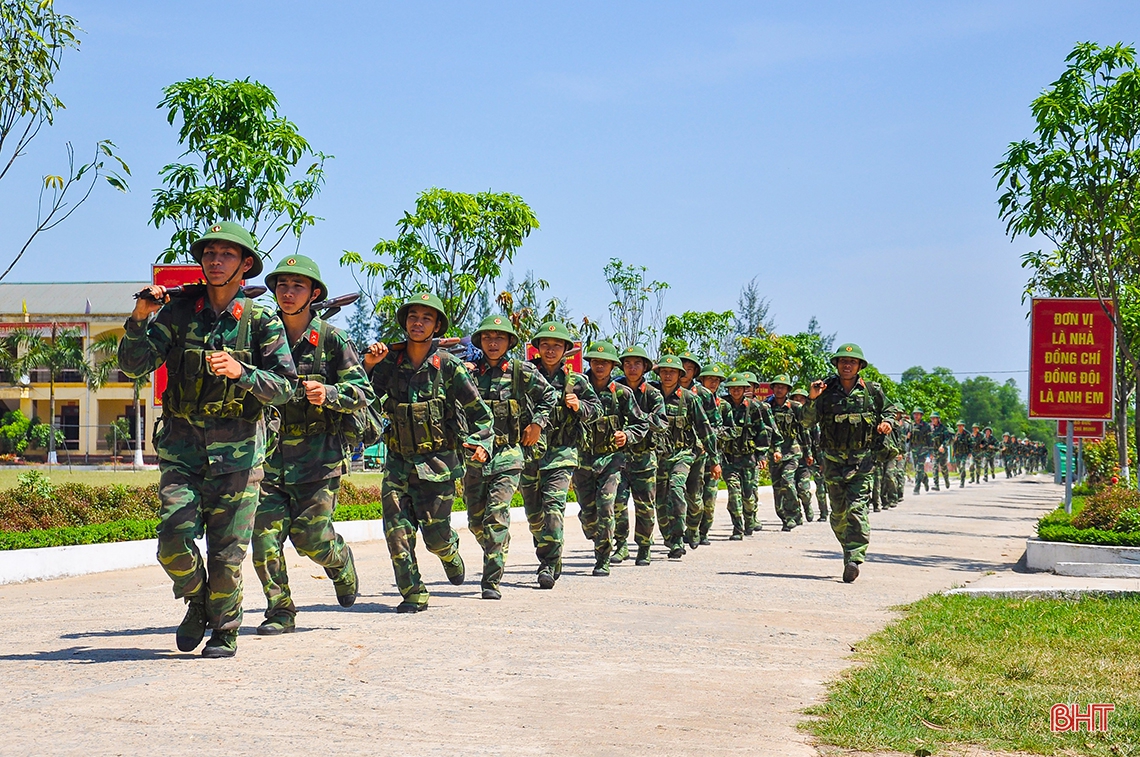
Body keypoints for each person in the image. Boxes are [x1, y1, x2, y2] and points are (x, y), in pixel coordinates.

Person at [118, 221, 297, 657]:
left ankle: (225, 630)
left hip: (239, 454)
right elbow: (134, 365)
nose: (215, 262)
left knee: (226, 555)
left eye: (226, 255)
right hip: (182, 449)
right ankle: (197, 599)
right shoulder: (178, 313)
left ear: (245, 264)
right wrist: (140, 318)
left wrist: (243, 372)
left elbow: (286, 385)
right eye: (209, 254)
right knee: (173, 541)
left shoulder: (260, 319)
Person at [252, 255, 375, 635]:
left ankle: (339, 561)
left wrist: (331, 392)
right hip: (270, 460)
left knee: (312, 540)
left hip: (319, 460)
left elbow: (363, 392)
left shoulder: (332, 340)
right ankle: (280, 611)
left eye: (298, 286)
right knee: (264, 540)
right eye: (282, 286)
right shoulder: (261, 336)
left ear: (314, 293)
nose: (288, 293)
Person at [363, 293, 494, 613]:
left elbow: (481, 414)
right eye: (412, 316)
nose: (417, 322)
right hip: (397, 462)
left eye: (426, 318)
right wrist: (368, 364)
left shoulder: (449, 366)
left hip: (438, 464)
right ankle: (413, 592)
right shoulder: (390, 364)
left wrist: (481, 443)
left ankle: (449, 552)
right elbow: (362, 395)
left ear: (437, 326)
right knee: (396, 533)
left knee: (436, 537)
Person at [463, 315, 557, 599]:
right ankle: (499, 544)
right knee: (475, 521)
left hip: (508, 453)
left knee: (496, 516)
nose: (493, 343)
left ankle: (491, 580)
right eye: (488, 338)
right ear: (480, 341)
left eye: (500, 338)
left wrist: (537, 423)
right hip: (476, 455)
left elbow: (549, 395)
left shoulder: (520, 371)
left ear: (509, 342)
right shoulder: (468, 374)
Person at [803, 343, 899, 583]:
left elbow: (890, 410)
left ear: (859, 366)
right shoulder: (824, 390)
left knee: (857, 509)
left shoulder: (872, 391)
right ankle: (848, 550)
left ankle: (854, 558)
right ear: (836, 365)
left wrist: (887, 422)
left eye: (852, 362)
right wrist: (812, 398)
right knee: (838, 514)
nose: (847, 365)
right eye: (843, 361)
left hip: (862, 462)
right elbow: (806, 422)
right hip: (833, 462)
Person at [521, 321, 601, 588]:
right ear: (538, 348)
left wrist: (580, 407)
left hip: (562, 453)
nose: (551, 350)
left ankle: (548, 562)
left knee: (553, 508)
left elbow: (597, 409)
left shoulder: (576, 380)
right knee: (535, 517)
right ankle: (549, 553)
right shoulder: (525, 375)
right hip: (530, 454)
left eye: (557, 346)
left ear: (566, 350)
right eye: (545, 345)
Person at [574, 341, 649, 575]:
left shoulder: (622, 393)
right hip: (582, 460)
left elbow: (641, 423)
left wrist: (626, 435)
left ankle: (603, 558)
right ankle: (596, 533)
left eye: (604, 362)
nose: (599, 366)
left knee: (606, 506)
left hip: (611, 460)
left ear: (612, 366)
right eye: (595, 361)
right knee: (589, 514)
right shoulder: (577, 388)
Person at [651, 354, 721, 560]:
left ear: (680, 374)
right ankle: (670, 537)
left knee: (677, 487)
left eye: (672, 372)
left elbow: (706, 429)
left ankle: (682, 535)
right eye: (664, 371)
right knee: (660, 500)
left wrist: (714, 460)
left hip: (684, 454)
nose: (667, 375)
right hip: (658, 456)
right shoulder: (651, 396)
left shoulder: (691, 399)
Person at [614, 345, 666, 566]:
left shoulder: (653, 394)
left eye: (637, 364)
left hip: (644, 459)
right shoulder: (614, 389)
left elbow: (662, 422)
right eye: (627, 363)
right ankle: (621, 544)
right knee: (617, 502)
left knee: (644, 505)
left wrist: (639, 420)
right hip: (618, 458)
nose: (631, 368)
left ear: (645, 367)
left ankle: (644, 547)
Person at [719, 374, 775, 538]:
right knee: (734, 494)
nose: (736, 391)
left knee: (749, 497)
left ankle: (750, 520)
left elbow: (762, 432)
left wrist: (762, 455)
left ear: (745, 389)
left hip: (749, 458)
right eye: (732, 388)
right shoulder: (722, 406)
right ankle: (737, 528)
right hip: (729, 459)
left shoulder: (753, 407)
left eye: (739, 388)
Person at [678, 352, 722, 550]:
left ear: (695, 372)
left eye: (689, 368)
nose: (685, 372)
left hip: (699, 451)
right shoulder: (665, 390)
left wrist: (708, 446)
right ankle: (676, 535)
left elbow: (715, 423)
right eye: (682, 367)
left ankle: (694, 529)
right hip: (674, 451)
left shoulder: (703, 394)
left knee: (697, 496)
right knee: (673, 492)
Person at [694, 365, 728, 546]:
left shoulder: (723, 405)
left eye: (717, 380)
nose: (713, 383)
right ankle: (690, 529)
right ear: (702, 380)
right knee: (692, 495)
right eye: (710, 379)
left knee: (709, 496)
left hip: (711, 456)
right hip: (693, 455)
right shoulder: (694, 396)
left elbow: (720, 428)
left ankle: (704, 531)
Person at [766, 375, 805, 531]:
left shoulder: (795, 407)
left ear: (788, 390)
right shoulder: (766, 406)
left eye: (783, 387)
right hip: (773, 453)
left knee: (787, 481)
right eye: (776, 386)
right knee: (777, 487)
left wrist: (808, 451)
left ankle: (793, 513)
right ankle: (783, 516)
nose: (779, 389)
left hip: (791, 451)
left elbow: (804, 429)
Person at [788, 387, 817, 522]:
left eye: (801, 399)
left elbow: (812, 440)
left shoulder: (810, 419)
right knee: (789, 487)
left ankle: (807, 504)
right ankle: (796, 513)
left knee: (803, 489)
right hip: (790, 456)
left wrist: (810, 455)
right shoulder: (788, 414)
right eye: (795, 399)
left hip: (804, 458)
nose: (798, 401)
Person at [909, 409, 932, 494]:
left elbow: (930, 439)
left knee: (919, 468)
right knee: (918, 469)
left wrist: (931, 452)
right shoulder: (911, 425)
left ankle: (917, 487)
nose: (916, 416)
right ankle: (925, 479)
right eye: (915, 414)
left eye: (918, 414)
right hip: (914, 450)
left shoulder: (926, 426)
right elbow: (908, 439)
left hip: (923, 450)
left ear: (921, 415)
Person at [929, 411, 952, 491]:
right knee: (934, 467)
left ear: (938, 419)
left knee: (943, 468)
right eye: (932, 418)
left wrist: (943, 445)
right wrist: (930, 452)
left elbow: (947, 438)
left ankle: (946, 480)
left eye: (935, 418)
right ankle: (936, 485)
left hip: (942, 451)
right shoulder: (930, 428)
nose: (933, 420)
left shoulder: (943, 428)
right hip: (934, 451)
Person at [952, 421, 972, 487]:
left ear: (963, 426)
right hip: (957, 453)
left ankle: (962, 481)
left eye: (961, 426)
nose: (959, 427)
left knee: (962, 465)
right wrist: (953, 453)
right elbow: (954, 445)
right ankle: (963, 474)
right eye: (958, 426)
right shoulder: (956, 434)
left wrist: (970, 452)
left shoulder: (967, 434)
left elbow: (971, 444)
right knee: (958, 466)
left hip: (964, 453)